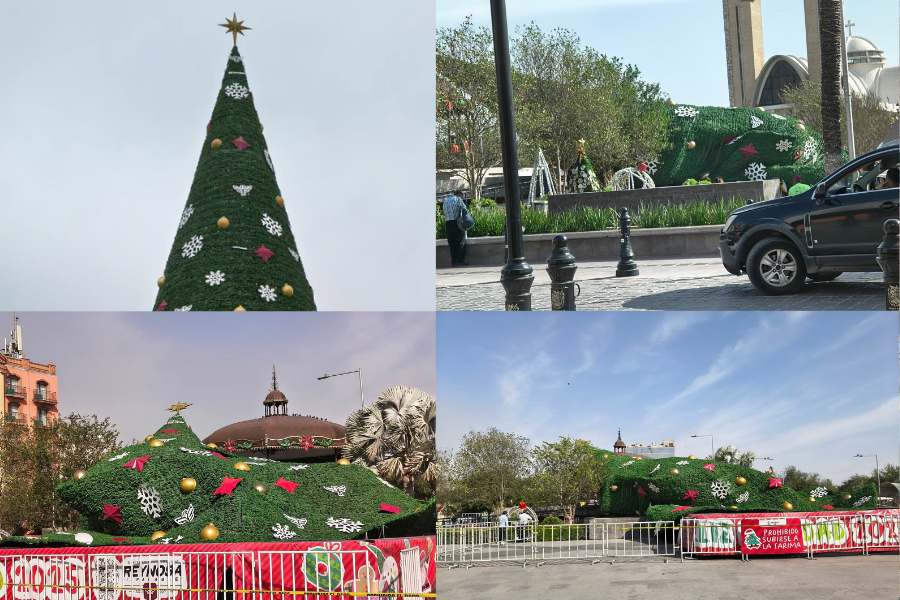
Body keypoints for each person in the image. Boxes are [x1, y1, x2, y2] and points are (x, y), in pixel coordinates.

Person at [442, 193, 469, 266]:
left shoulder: (445, 201)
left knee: (452, 243)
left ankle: (453, 261)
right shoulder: (458, 199)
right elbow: (465, 210)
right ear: (459, 195)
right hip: (457, 223)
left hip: (448, 224)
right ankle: (461, 260)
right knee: (461, 241)